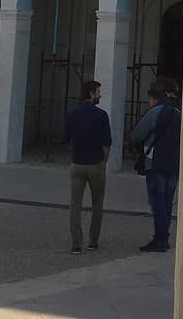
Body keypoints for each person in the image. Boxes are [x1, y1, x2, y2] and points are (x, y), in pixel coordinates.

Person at [129, 78, 181, 252]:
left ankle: (160, 239)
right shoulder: (180, 112)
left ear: (154, 98)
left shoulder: (156, 112)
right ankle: (163, 237)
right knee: (167, 202)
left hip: (156, 161)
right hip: (175, 163)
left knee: (157, 202)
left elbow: (137, 134)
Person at [64, 80, 112, 254]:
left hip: (77, 164)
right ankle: (93, 241)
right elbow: (107, 143)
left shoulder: (72, 114)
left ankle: (76, 243)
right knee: (97, 204)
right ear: (91, 94)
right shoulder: (101, 115)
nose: (100, 95)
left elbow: (66, 139)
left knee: (75, 205)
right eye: (98, 92)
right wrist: (104, 161)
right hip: (95, 164)